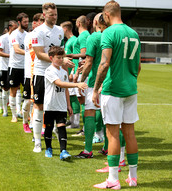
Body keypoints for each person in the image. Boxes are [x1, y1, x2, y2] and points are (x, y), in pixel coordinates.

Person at [92, 1, 141, 189]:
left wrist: (95, 89)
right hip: (131, 89)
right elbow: (138, 66)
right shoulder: (134, 33)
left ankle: (113, 180)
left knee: (112, 134)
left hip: (113, 90)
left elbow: (103, 64)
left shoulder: (109, 32)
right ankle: (133, 178)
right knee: (129, 132)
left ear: (106, 14)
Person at [32, 2, 74, 153]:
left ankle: (56, 131)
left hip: (57, 73)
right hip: (41, 73)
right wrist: (61, 60)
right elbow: (39, 54)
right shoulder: (38, 31)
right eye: (51, 15)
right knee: (39, 106)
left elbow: (60, 53)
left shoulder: (59, 31)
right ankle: (37, 141)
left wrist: (64, 65)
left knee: (57, 106)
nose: (54, 17)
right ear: (44, 15)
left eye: (56, 14)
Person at [43, 46, 87, 160]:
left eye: (62, 57)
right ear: (51, 58)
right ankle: (49, 148)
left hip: (61, 105)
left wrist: (68, 104)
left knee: (61, 127)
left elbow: (66, 90)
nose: (61, 60)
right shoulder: (49, 70)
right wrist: (77, 84)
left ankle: (63, 151)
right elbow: (60, 84)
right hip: (50, 104)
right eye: (58, 57)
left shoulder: (63, 71)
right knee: (49, 127)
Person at [74, 13, 107, 158]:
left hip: (95, 81)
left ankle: (88, 150)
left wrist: (81, 80)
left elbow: (89, 62)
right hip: (111, 81)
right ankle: (108, 147)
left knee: (89, 112)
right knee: (110, 117)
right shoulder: (115, 35)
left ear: (95, 22)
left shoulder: (94, 37)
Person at [22, 13, 44, 133]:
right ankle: (25, 121)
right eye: (40, 21)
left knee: (39, 102)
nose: (42, 23)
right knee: (27, 102)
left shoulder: (45, 34)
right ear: (35, 23)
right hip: (29, 73)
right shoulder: (29, 36)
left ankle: (37, 124)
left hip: (40, 73)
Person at [8, 12, 29, 123]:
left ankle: (22, 112)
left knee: (25, 92)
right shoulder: (14, 34)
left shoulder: (27, 35)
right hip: (15, 66)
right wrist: (29, 53)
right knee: (13, 91)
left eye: (27, 21)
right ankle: (14, 115)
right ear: (19, 22)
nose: (27, 23)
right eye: (25, 21)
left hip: (25, 67)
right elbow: (16, 49)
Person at [60, 21, 80, 129]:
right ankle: (72, 120)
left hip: (72, 73)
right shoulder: (68, 42)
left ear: (66, 29)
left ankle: (75, 122)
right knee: (70, 95)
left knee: (73, 96)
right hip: (68, 72)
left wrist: (73, 72)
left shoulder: (74, 41)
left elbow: (76, 59)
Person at [0, 20, 18, 117]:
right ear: (10, 27)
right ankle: (5, 110)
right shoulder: (3, 38)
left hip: (14, 67)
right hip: (4, 67)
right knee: (5, 88)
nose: (16, 29)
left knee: (15, 89)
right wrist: (11, 55)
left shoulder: (16, 37)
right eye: (14, 27)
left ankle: (17, 111)